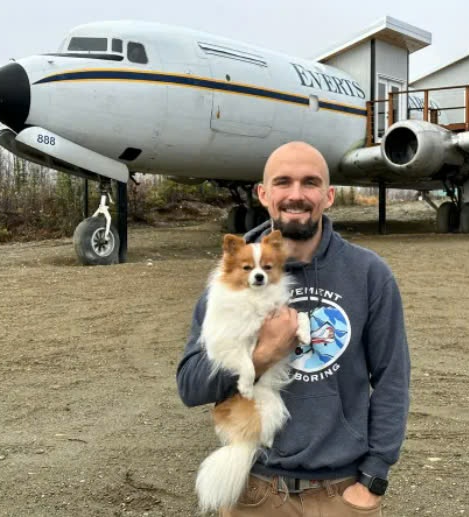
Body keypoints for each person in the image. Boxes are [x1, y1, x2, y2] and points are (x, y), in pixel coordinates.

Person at [176, 141, 410, 516]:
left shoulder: (368, 274)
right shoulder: (230, 280)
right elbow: (189, 386)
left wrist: (374, 479)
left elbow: (392, 379)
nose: (296, 195)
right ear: (264, 194)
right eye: (283, 182)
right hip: (252, 492)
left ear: (329, 196)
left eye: (310, 183)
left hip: (339, 494)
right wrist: (263, 355)